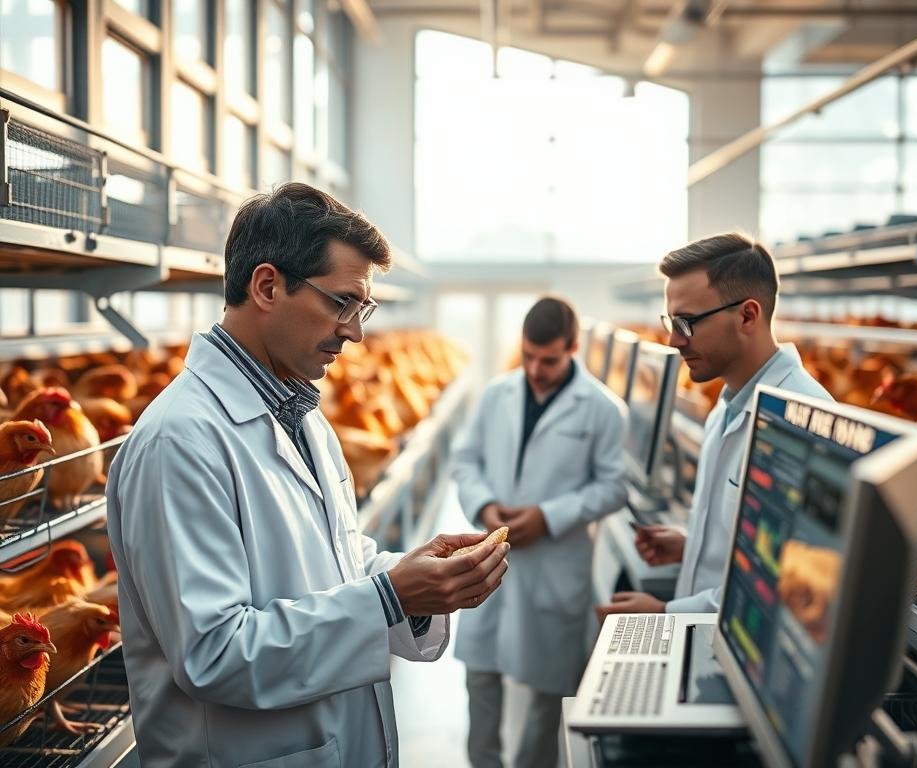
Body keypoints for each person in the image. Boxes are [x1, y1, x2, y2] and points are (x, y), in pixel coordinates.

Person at [106, 183, 509, 768]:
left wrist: (411, 578)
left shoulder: (302, 414)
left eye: (362, 309)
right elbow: (213, 654)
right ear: (267, 286)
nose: (356, 331)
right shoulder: (181, 440)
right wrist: (389, 597)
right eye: (342, 302)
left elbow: (335, 563)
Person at [596, 233, 832, 619]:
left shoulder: (802, 424)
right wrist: (693, 545)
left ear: (747, 316)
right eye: (671, 322)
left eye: (686, 322)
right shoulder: (725, 407)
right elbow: (747, 544)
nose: (673, 340)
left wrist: (664, 613)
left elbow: (779, 588)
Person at [453, 296, 628, 768]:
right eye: (528, 355)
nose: (534, 368)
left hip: (554, 566)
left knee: (544, 697)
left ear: (573, 348)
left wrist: (549, 517)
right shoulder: (497, 395)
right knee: (481, 683)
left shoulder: (603, 410)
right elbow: (465, 460)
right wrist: (485, 505)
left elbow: (613, 488)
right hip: (488, 561)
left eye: (547, 359)